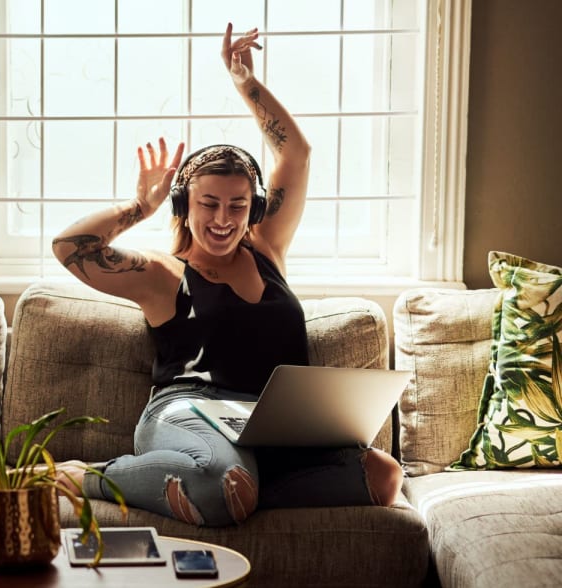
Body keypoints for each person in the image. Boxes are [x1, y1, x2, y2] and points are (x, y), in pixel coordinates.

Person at [49, 23, 403, 527]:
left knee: (383, 476)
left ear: (253, 207)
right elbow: (70, 247)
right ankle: (84, 477)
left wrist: (246, 85)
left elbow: (296, 155)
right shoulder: (162, 274)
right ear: (184, 204)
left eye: (237, 205)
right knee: (220, 483)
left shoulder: (267, 249)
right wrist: (137, 206)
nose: (222, 219)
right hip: (189, 412)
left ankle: (243, 490)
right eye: (208, 203)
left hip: (268, 425)